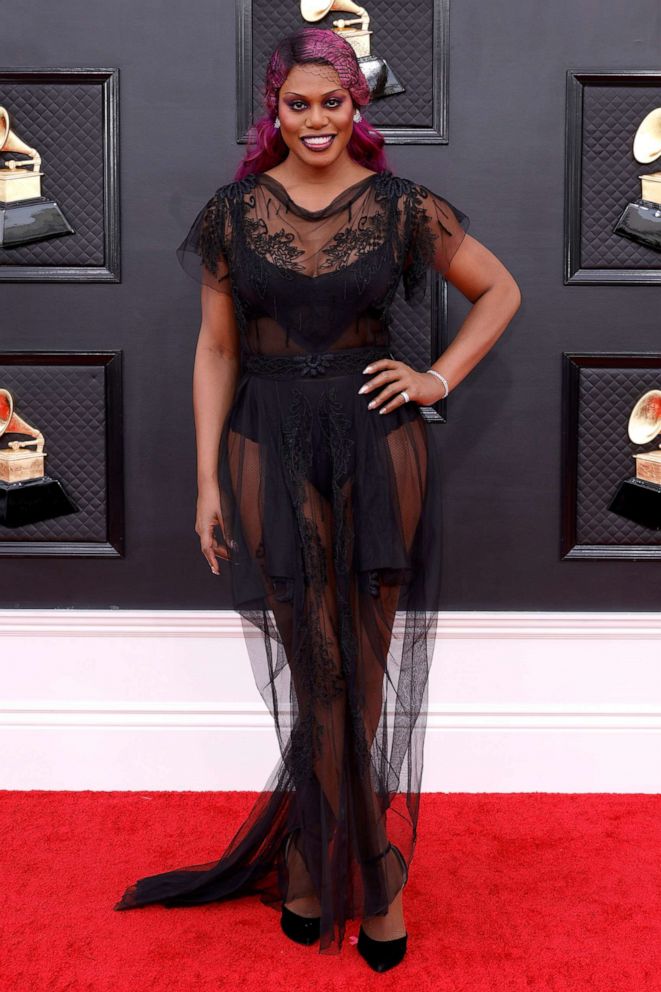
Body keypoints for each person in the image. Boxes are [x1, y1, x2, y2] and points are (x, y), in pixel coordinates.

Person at [114, 26, 521, 972]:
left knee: (362, 669)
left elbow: (497, 291)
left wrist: (436, 378)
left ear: (357, 105)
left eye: (330, 102)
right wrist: (207, 476)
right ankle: (351, 866)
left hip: (378, 440)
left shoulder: (400, 206)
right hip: (268, 438)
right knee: (314, 661)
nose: (314, 121)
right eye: (296, 104)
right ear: (275, 109)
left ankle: (335, 864)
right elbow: (218, 350)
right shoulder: (231, 213)